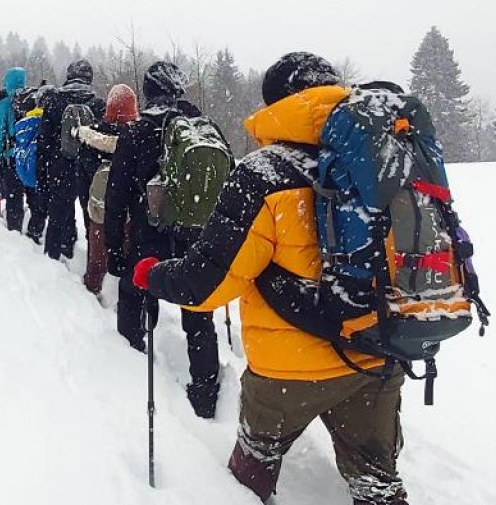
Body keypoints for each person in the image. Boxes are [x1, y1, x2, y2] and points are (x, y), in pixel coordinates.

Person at [130, 52, 408, 505]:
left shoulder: (262, 174)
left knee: (250, 474)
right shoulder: (384, 161)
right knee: (377, 482)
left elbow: (207, 285)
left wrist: (153, 276)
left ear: (275, 103)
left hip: (288, 371)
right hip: (375, 352)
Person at [103, 61, 220, 419]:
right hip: (195, 238)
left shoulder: (137, 132)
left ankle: (132, 358)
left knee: (133, 293)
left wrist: (112, 246)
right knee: (199, 314)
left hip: (147, 239)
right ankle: (206, 393)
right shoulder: (204, 129)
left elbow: (116, 195)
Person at [36, 60, 105, 261]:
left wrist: (42, 176)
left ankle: (53, 258)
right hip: (89, 168)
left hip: (59, 167)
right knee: (92, 221)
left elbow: (43, 142)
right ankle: (92, 269)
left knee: (57, 218)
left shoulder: (54, 101)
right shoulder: (97, 103)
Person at [72, 83, 138, 295]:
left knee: (96, 260)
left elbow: (83, 181)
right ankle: (124, 299)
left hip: (99, 211)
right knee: (128, 259)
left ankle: (92, 292)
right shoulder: (136, 138)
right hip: (127, 213)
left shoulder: (92, 137)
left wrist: (88, 212)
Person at [0, 69, 46, 237]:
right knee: (34, 196)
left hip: (12, 157)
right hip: (32, 155)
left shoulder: (5, 104)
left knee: (14, 197)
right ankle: (34, 231)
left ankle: (14, 232)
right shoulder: (34, 100)